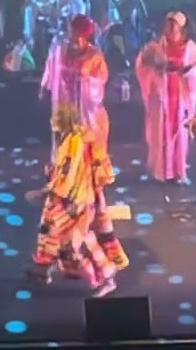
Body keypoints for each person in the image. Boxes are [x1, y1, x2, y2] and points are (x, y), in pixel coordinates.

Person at [25, 95, 127, 297]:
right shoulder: (71, 139)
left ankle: (106, 278)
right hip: (65, 199)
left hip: (74, 201)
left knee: (76, 245)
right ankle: (42, 270)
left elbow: (68, 175)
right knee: (49, 234)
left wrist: (45, 190)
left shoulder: (75, 142)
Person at [136, 11, 196, 184]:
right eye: (167, 25)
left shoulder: (190, 48)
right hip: (162, 97)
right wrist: (156, 69)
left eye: (173, 25)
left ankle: (177, 172)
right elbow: (142, 65)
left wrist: (187, 71)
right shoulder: (156, 46)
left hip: (180, 97)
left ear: (181, 28)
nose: (169, 28)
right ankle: (160, 172)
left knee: (180, 134)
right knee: (160, 133)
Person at [39, 14, 109, 158]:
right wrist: (44, 87)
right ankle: (63, 173)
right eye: (73, 30)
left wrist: (85, 80)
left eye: (78, 31)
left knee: (84, 141)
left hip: (84, 107)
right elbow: (50, 68)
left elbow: (102, 78)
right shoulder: (59, 50)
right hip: (64, 103)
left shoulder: (94, 54)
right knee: (63, 138)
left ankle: (83, 175)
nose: (74, 35)